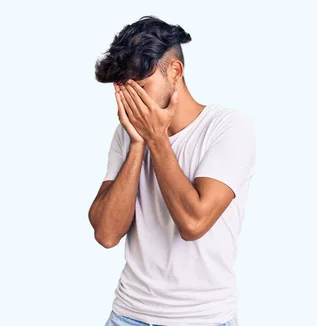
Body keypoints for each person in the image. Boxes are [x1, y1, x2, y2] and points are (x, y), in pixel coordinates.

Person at [89, 15, 255, 326]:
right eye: (125, 91)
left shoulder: (228, 127)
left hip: (204, 318)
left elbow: (193, 223)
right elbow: (107, 234)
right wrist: (138, 144)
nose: (133, 101)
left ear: (175, 71)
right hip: (128, 315)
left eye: (141, 87)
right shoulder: (126, 135)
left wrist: (156, 139)